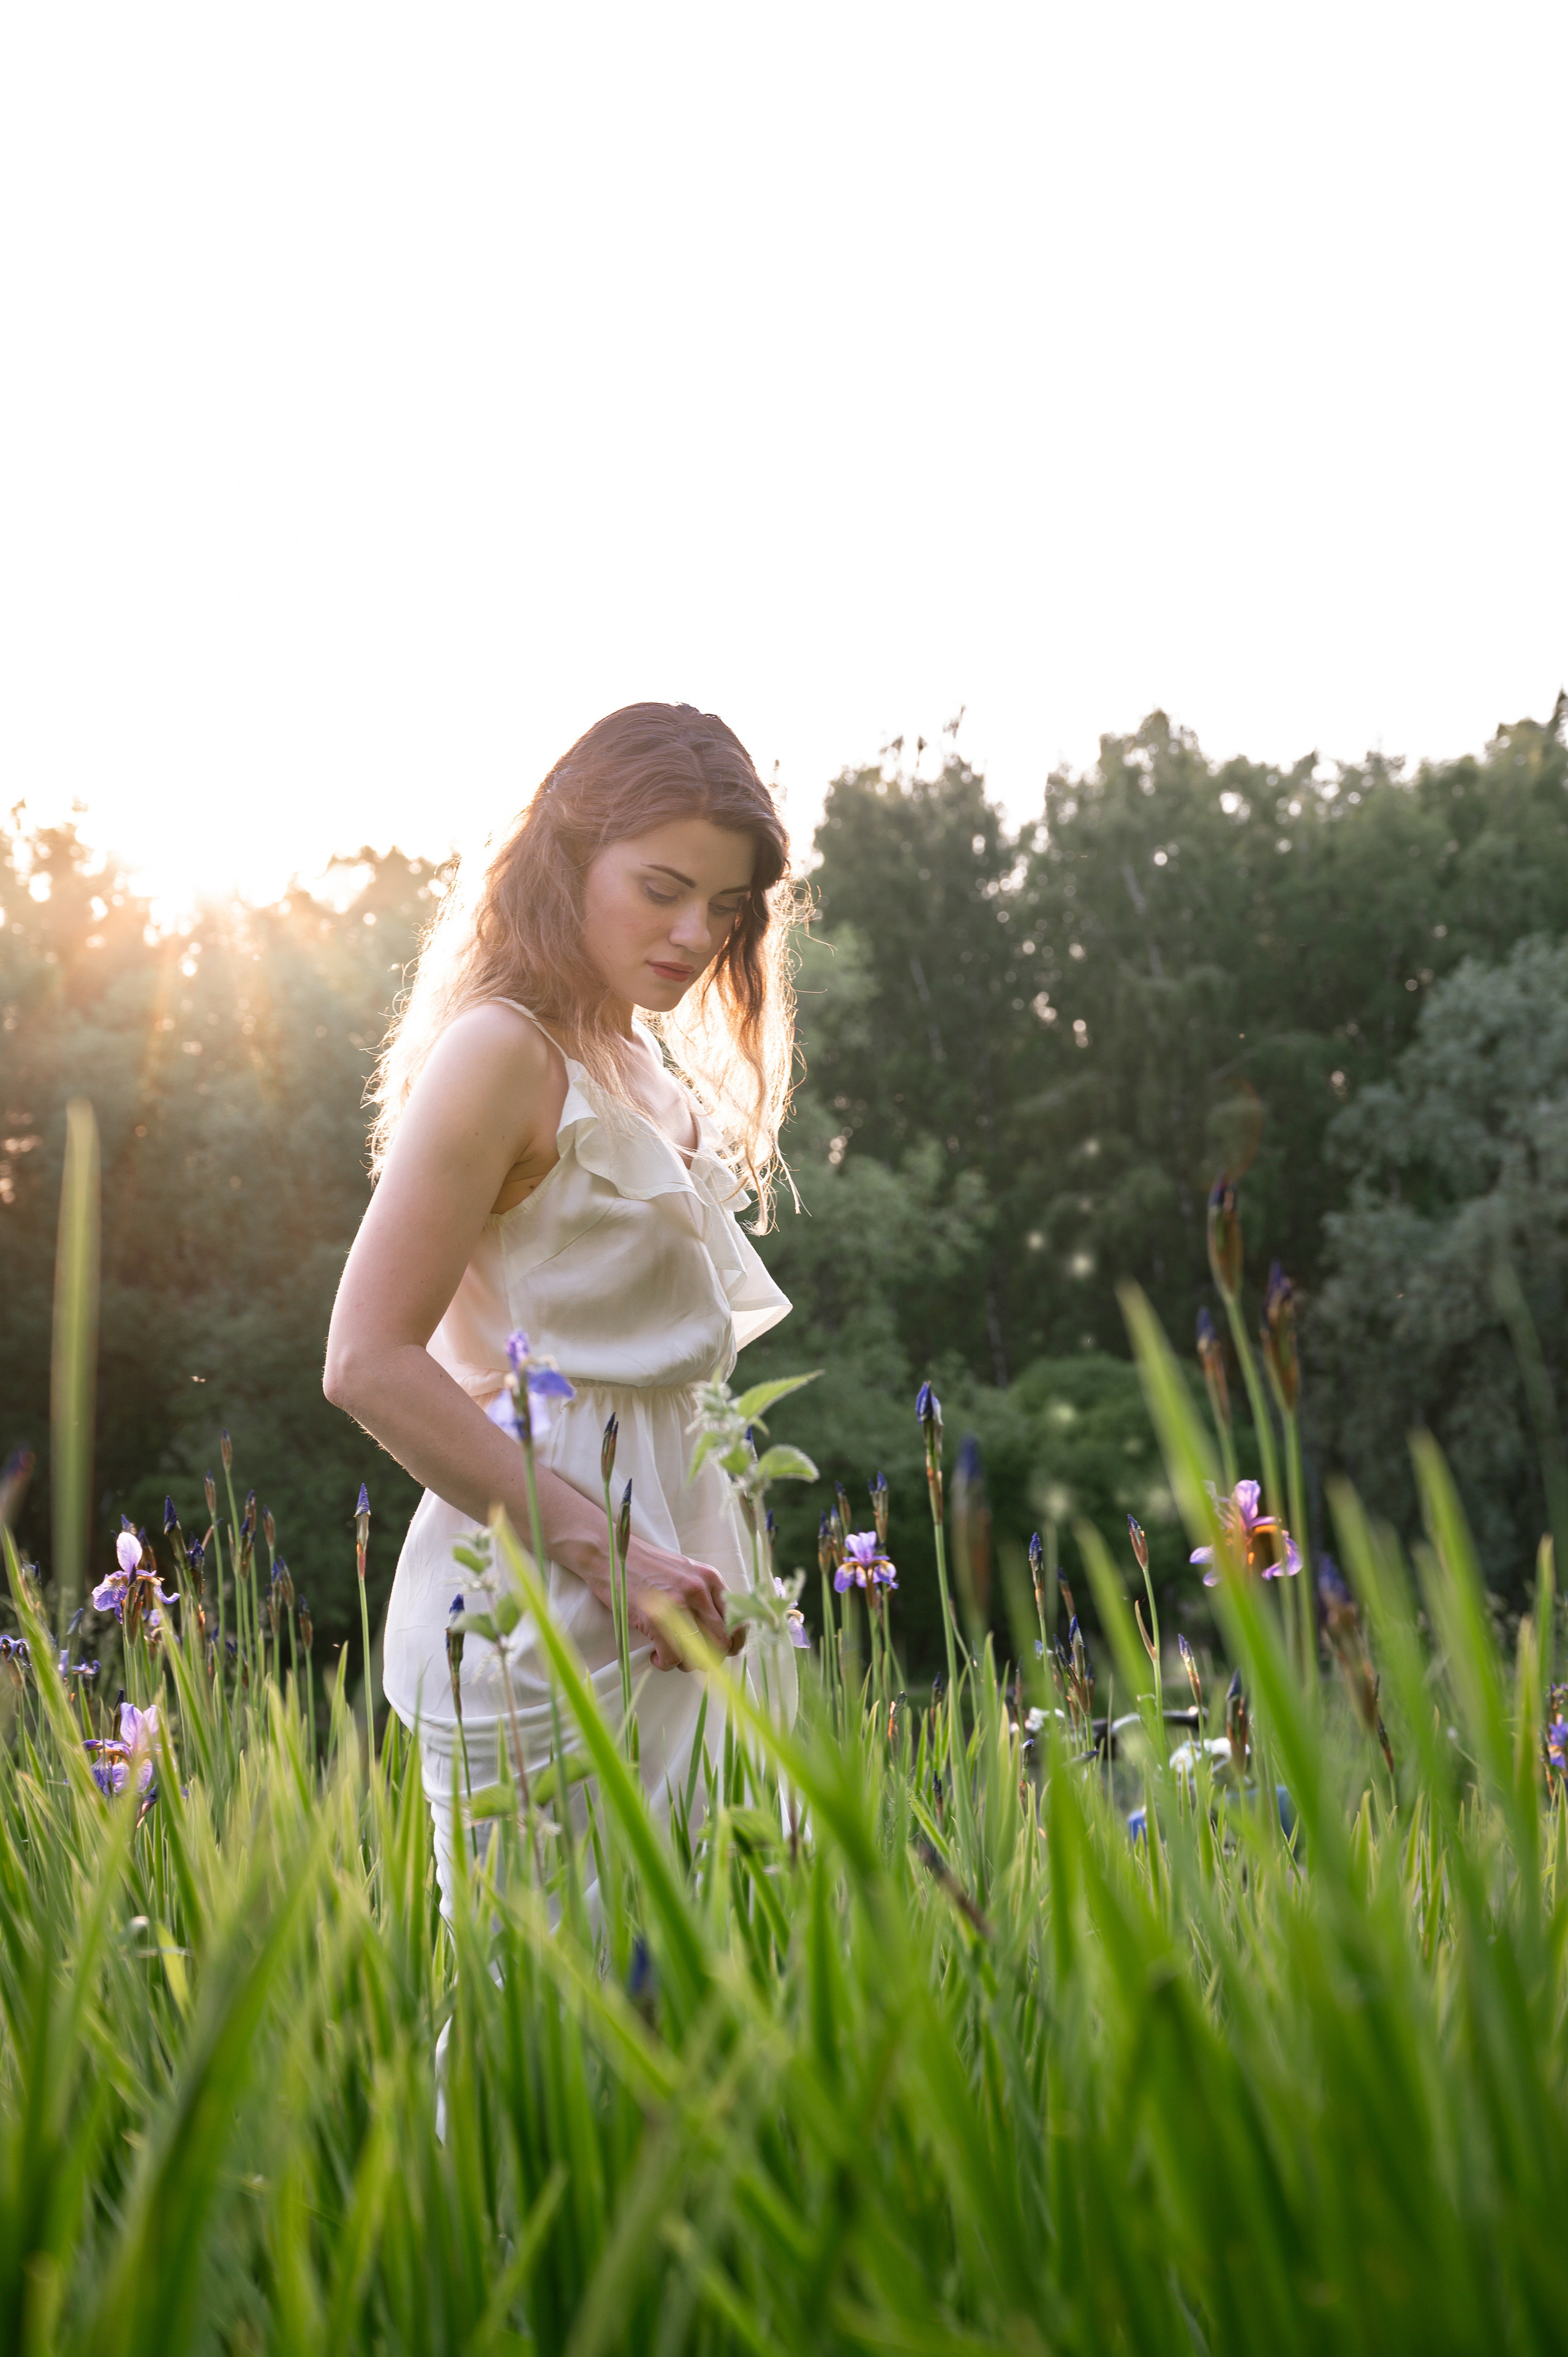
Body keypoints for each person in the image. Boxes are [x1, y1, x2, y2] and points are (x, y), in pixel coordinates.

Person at [323, 702, 804, 1917]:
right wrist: (611, 1551)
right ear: (565, 855)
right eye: (661, 887)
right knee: (537, 2027)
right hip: (542, 1582)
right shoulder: (501, 1052)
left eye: (729, 910)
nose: (696, 933)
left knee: (710, 2010)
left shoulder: (640, 1063)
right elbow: (367, 1360)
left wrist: (683, 1555)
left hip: (687, 1567)